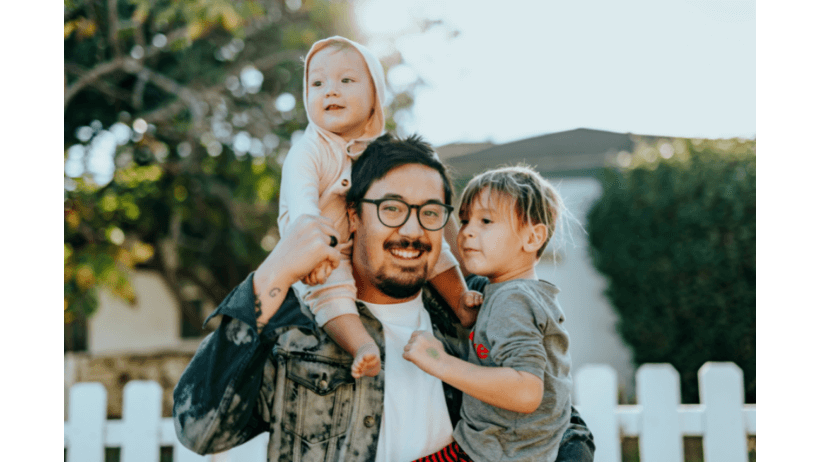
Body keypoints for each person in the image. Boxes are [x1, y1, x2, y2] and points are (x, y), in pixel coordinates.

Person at [172, 134, 595, 461]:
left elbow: (560, 420)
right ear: (354, 216)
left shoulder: (472, 309)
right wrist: (273, 273)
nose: (412, 230)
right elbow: (200, 429)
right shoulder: (293, 323)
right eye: (392, 208)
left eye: (430, 213)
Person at [277, 36, 480, 379]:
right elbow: (302, 207)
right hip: (319, 251)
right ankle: (361, 345)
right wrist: (314, 253)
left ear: (375, 97)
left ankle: (461, 301)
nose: (331, 91)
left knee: (434, 246)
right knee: (331, 294)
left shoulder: (380, 153)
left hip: (358, 245)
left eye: (346, 81)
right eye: (317, 83)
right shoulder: (308, 151)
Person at [404, 166, 572, 462]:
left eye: (486, 221)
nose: (467, 230)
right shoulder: (514, 293)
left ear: (532, 238)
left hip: (494, 453)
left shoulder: (513, 300)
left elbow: (526, 391)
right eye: (466, 220)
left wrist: (439, 362)